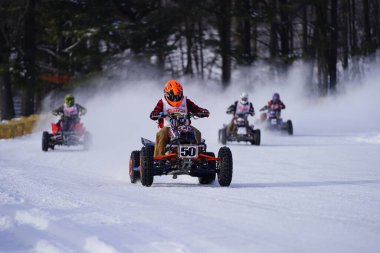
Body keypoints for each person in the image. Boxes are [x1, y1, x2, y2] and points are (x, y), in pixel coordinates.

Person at [150, 80, 209, 157]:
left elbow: (197, 109)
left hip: (185, 126)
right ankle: (158, 159)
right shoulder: (162, 102)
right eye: (173, 96)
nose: (175, 99)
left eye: (178, 95)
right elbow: (155, 112)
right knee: (161, 134)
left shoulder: (186, 101)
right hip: (168, 127)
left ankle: (199, 157)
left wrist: (203, 112)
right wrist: (156, 114)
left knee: (197, 132)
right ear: (167, 94)